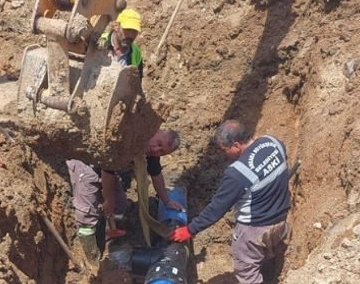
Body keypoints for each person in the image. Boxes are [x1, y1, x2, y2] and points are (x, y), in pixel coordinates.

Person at [169, 120, 291, 284]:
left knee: (246, 271)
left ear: (236, 145)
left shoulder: (238, 173)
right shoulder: (273, 142)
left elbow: (216, 209)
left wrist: (190, 230)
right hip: (280, 220)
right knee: (265, 255)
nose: (224, 154)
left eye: (224, 150)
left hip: (254, 229)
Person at [66, 129, 184, 262]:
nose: (156, 150)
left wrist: (167, 201)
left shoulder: (150, 153)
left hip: (106, 168)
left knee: (120, 205)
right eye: (158, 143)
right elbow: (107, 171)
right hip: (87, 164)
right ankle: (91, 259)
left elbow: (156, 174)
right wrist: (109, 200)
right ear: (156, 131)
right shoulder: (129, 139)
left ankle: (108, 235)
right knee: (86, 213)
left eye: (162, 151)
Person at [100, 8, 144, 77]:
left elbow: (135, 83)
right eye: (127, 30)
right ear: (116, 26)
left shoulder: (136, 52)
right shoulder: (100, 41)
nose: (131, 35)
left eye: (134, 31)